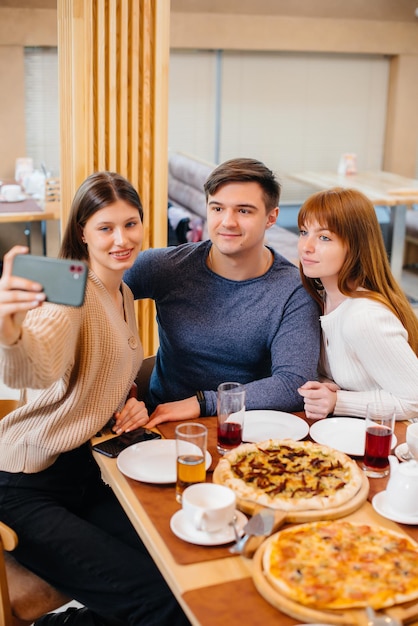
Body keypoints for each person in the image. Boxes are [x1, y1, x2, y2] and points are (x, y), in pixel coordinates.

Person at [0, 172, 189, 626]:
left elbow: (104, 371)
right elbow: (40, 363)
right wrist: (9, 334)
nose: (121, 239)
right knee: (160, 602)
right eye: (105, 228)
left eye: (131, 224)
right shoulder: (72, 292)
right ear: (82, 231)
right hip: (24, 485)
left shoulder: (122, 291)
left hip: (86, 472)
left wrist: (130, 401)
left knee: (181, 570)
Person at [123, 158, 320, 428]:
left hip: (241, 428)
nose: (228, 222)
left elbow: (292, 385)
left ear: (271, 217)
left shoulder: (293, 290)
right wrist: (117, 386)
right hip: (160, 422)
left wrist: (202, 402)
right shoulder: (165, 267)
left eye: (244, 211)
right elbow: (91, 298)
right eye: (218, 208)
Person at [297, 187, 418, 421]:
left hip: (391, 442)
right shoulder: (321, 298)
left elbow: (414, 400)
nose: (306, 246)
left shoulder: (364, 317)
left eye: (324, 237)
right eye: (304, 232)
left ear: (355, 246)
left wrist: (338, 401)